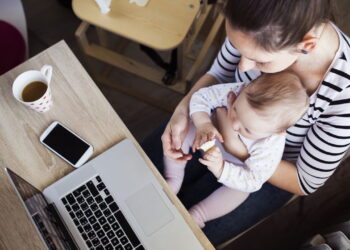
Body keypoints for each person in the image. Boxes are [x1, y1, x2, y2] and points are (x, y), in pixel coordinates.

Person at [142, 0, 350, 246]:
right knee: (138, 181)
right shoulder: (254, 21)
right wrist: (182, 110)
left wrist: (235, 146)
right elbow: (220, 74)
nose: (243, 66)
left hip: (269, 170)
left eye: (260, 61)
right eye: (240, 51)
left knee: (174, 238)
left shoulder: (344, 94)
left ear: (306, 45)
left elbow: (305, 181)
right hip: (213, 119)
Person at [164, 71, 309, 228]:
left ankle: (199, 215)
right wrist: (203, 123)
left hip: (236, 164)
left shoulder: (271, 145)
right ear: (243, 90)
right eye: (235, 111)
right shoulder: (239, 90)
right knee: (183, 131)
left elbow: (253, 180)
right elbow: (201, 97)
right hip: (208, 135)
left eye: (247, 129)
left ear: (277, 132)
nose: (234, 126)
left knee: (241, 191)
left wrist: (221, 168)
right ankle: (173, 178)